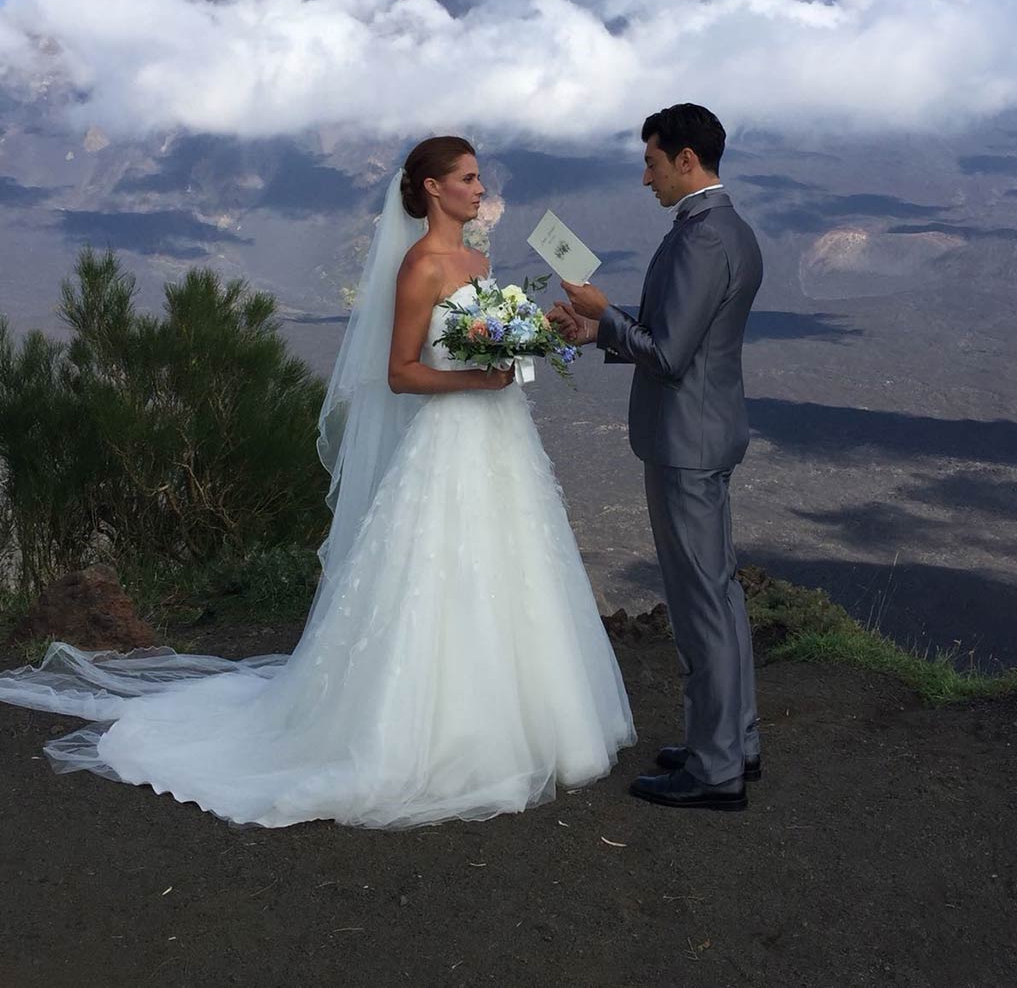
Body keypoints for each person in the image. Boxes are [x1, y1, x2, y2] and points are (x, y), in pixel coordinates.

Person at [0, 136, 634, 829]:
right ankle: (440, 734)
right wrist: (475, 374)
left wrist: (539, 330)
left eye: (479, 178)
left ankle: (531, 722)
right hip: (451, 439)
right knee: (439, 576)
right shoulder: (419, 265)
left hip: (504, 438)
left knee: (516, 571)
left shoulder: (480, 261)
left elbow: (488, 337)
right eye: (469, 178)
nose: (481, 189)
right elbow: (399, 371)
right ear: (431, 189)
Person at [552, 104, 763, 812]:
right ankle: (733, 738)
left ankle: (714, 767)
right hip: (709, 431)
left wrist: (604, 311)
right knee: (721, 595)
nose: (645, 179)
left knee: (701, 603)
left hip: (685, 443)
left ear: (685, 161)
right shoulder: (731, 230)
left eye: (651, 162)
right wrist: (598, 330)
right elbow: (684, 341)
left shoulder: (702, 240)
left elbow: (670, 355)